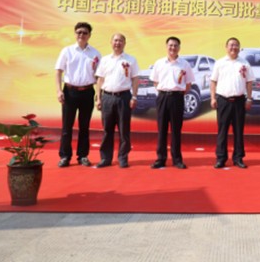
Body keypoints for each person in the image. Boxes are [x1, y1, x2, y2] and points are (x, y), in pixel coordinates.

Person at [55, 22, 101, 168]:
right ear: (75, 34)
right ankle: (65, 156)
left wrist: (98, 94)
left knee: (84, 126)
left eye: (85, 32)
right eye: (79, 32)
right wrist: (59, 90)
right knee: (67, 126)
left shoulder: (95, 53)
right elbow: (58, 71)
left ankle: (83, 156)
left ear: (89, 35)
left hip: (87, 92)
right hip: (70, 92)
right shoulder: (67, 51)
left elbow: (99, 76)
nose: (81, 35)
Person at [94, 33, 140, 168]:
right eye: (115, 40)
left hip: (124, 97)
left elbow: (135, 79)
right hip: (107, 97)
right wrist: (98, 98)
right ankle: (105, 158)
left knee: (124, 130)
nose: (117, 43)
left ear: (124, 43)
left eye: (120, 41)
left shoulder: (131, 60)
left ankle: (123, 157)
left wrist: (134, 96)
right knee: (107, 129)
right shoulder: (105, 60)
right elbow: (100, 80)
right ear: (111, 42)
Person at [149, 37, 195, 169]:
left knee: (176, 129)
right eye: (170, 45)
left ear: (179, 48)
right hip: (162, 97)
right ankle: (160, 158)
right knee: (161, 129)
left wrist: (177, 93)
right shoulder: (159, 63)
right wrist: (164, 91)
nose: (173, 48)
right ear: (166, 47)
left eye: (175, 45)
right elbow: (155, 82)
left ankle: (177, 159)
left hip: (177, 98)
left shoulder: (184, 64)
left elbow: (188, 84)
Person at [210, 37, 255, 169]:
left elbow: (249, 82)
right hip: (223, 100)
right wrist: (213, 98)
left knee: (238, 131)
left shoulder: (244, 63)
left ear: (239, 48)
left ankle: (238, 158)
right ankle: (221, 158)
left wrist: (249, 98)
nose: (233, 47)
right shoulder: (220, 63)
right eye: (231, 45)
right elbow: (213, 81)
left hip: (239, 101)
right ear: (226, 47)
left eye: (236, 45)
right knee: (222, 131)